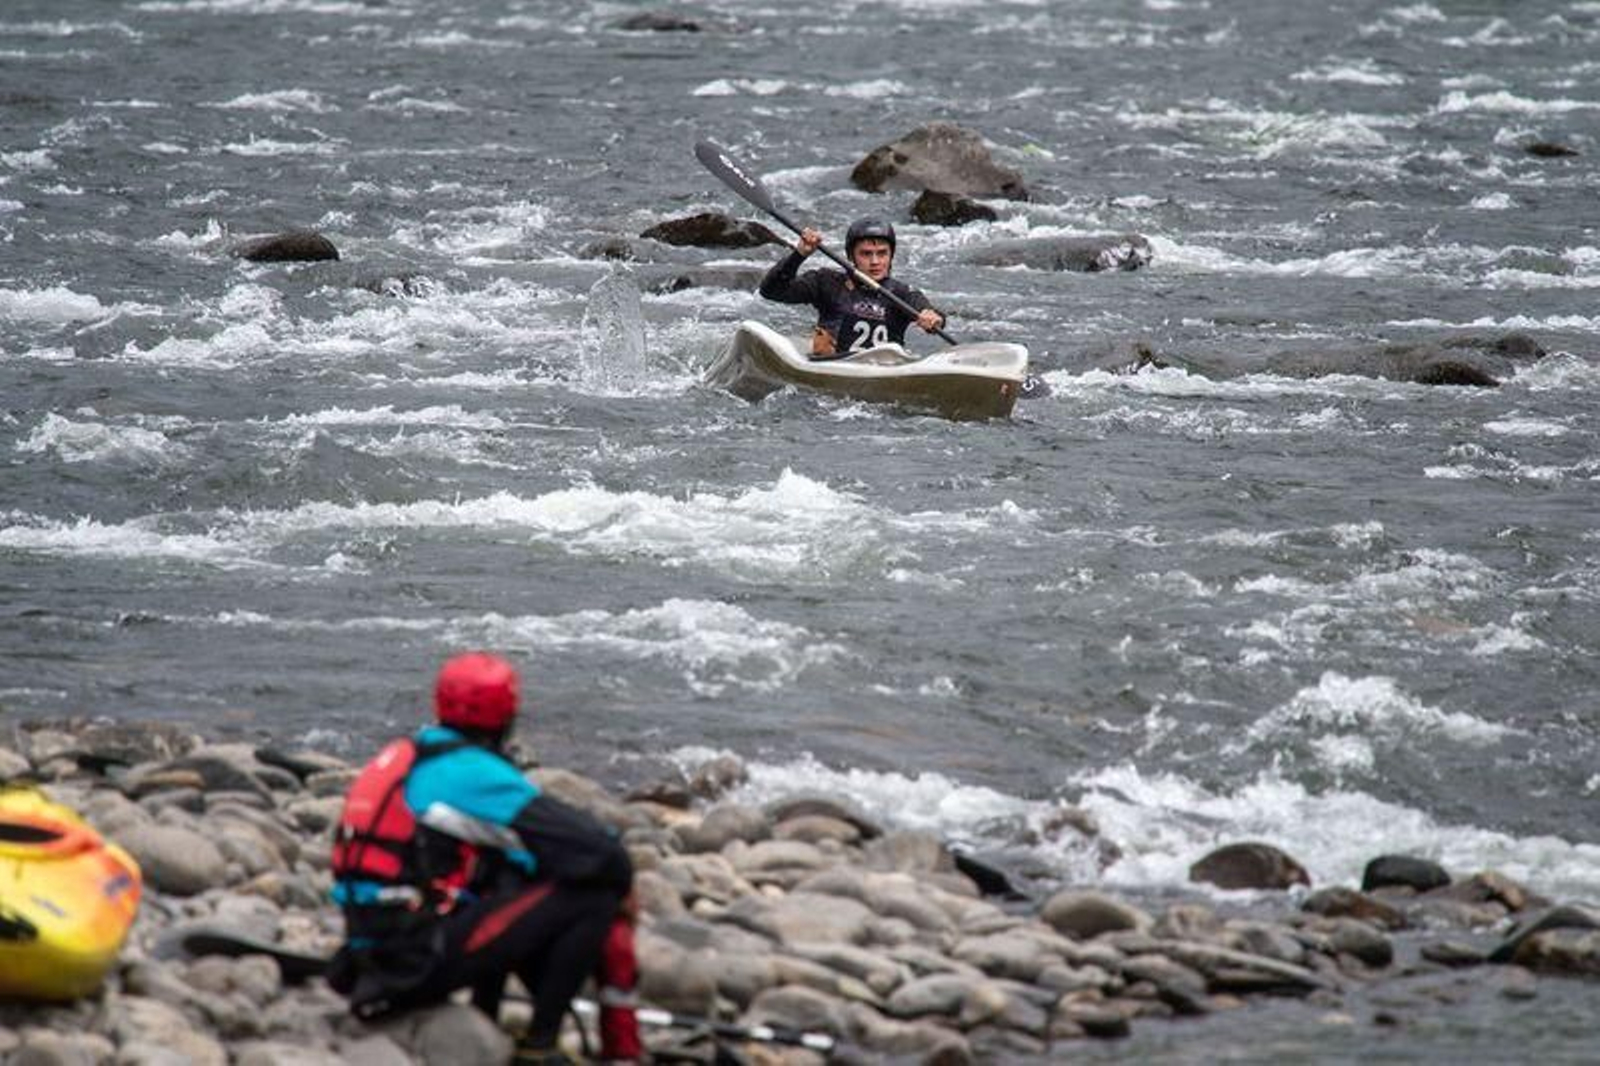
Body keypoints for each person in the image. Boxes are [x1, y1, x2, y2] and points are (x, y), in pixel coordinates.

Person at [327, 652, 642, 1065]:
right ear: (507, 715)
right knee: (596, 890)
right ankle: (540, 1046)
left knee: (504, 869)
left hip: (369, 951)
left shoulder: (409, 754)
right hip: (414, 962)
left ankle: (485, 1017)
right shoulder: (473, 773)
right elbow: (600, 853)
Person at [758, 217, 946, 358]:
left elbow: (931, 313)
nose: (875, 262)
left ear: (891, 255)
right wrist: (799, 254)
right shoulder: (826, 281)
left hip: (884, 371)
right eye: (866, 254)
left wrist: (932, 318)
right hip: (833, 366)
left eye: (882, 254)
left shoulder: (901, 293)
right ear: (851, 256)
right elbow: (772, 291)